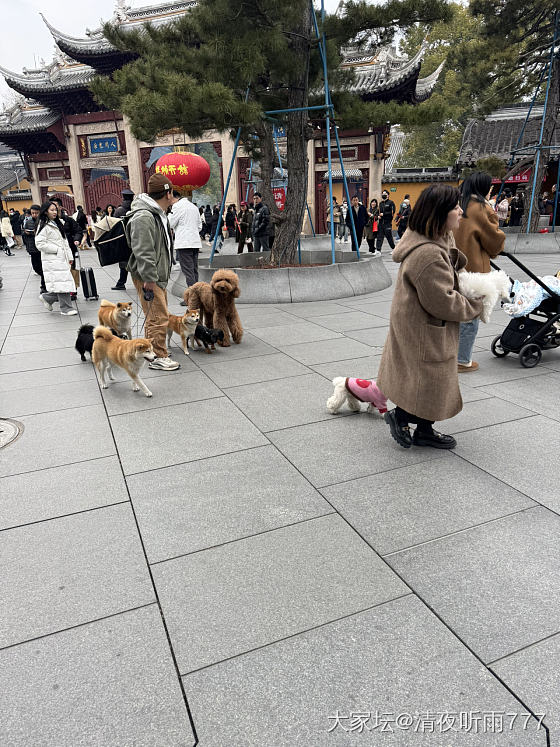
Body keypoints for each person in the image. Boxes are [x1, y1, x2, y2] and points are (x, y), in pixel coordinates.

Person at [377, 184, 483, 450]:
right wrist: (477, 306)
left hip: (419, 323)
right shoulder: (427, 254)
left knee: (427, 379)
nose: (460, 211)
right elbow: (443, 302)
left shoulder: (435, 235)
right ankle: (400, 416)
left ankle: (424, 430)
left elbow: (447, 262)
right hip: (424, 328)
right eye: (455, 207)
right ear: (439, 213)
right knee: (427, 380)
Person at [125, 172, 179, 370]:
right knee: (158, 316)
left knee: (154, 314)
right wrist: (149, 278)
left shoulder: (156, 213)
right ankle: (158, 356)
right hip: (149, 276)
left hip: (156, 274)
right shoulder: (144, 216)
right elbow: (143, 250)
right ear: (168, 193)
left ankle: (150, 351)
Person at [453, 171, 505, 373]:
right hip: (474, 272)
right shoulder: (481, 208)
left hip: (453, 268)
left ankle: (451, 356)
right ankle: (462, 360)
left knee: (455, 314)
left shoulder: (459, 206)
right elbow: (494, 243)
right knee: (470, 317)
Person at [35, 201, 77, 316]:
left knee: (63, 282)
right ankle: (66, 308)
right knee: (63, 283)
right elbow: (39, 244)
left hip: (60, 258)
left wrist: (69, 256)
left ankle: (47, 297)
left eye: (55, 209)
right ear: (45, 211)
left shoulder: (57, 223)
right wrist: (57, 250)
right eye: (51, 210)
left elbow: (65, 242)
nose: (54, 212)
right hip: (53, 259)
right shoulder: (44, 225)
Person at [168, 189, 202, 299]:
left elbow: (170, 223)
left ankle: (193, 298)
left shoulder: (177, 206)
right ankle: (197, 295)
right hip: (195, 242)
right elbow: (199, 226)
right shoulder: (193, 206)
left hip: (184, 243)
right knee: (194, 270)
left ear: (174, 197)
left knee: (188, 272)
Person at [111, 189, 135, 290]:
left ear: (123, 197)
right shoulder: (136, 209)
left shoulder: (119, 211)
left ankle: (121, 283)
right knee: (136, 260)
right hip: (135, 238)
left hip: (123, 240)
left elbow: (114, 226)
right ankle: (141, 282)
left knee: (123, 262)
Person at [22, 204, 46, 293]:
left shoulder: (43, 222)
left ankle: (44, 286)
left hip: (42, 248)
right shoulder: (28, 222)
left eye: (36, 213)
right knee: (36, 267)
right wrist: (26, 233)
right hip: (32, 247)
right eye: (33, 213)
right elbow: (24, 233)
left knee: (43, 267)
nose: (34, 215)